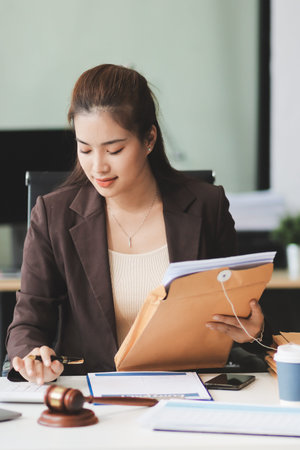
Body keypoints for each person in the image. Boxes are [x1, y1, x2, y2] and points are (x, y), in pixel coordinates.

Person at [6, 64, 266, 384]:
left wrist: (251, 329)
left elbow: (239, 311)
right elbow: (27, 324)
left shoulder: (206, 207)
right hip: (92, 395)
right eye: (84, 148)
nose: (97, 166)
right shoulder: (53, 215)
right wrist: (33, 354)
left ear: (149, 139)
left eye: (114, 149)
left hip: (190, 390)